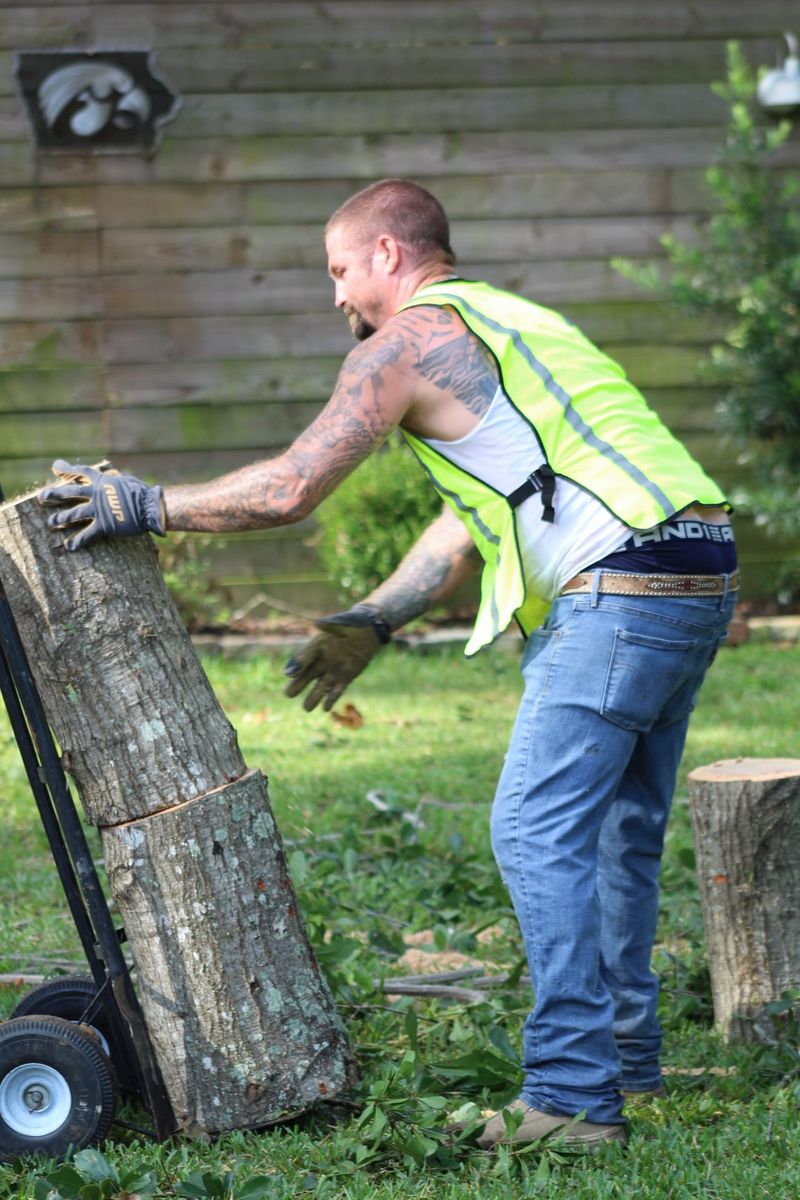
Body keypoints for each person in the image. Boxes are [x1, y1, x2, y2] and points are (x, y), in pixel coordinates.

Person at [39, 178, 738, 1151]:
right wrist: (372, 619)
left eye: (338, 270)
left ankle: (575, 1101)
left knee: (534, 832)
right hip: (695, 566)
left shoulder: (402, 345)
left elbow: (289, 488)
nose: (335, 298)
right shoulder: (516, 321)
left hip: (613, 589)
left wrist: (142, 504)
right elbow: (470, 519)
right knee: (618, 833)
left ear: (387, 255)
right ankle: (623, 1059)